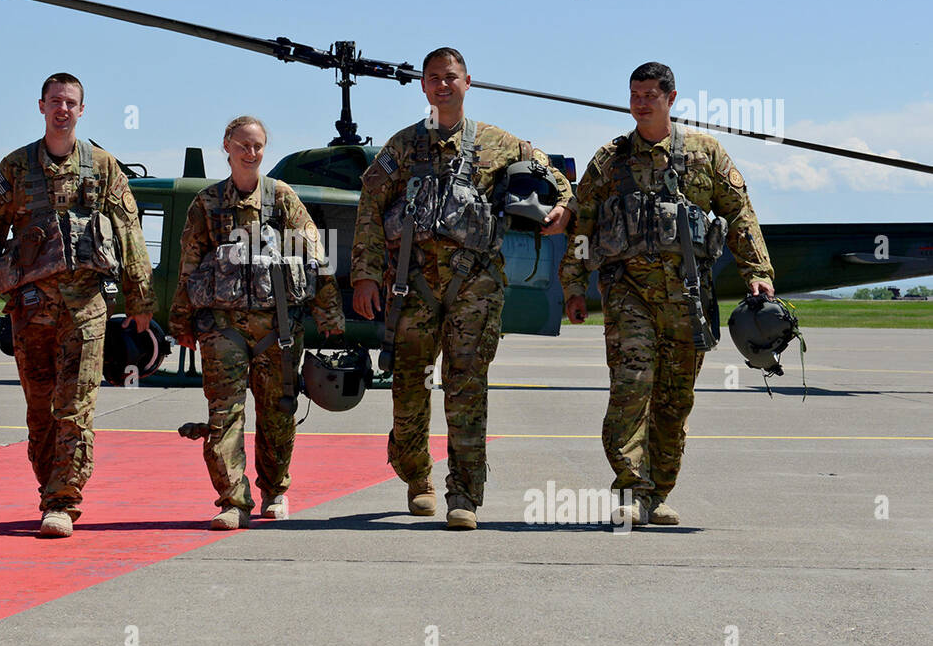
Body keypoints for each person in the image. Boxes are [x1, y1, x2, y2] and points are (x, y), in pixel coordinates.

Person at [351, 48, 572, 530]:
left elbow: (554, 178)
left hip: (476, 287)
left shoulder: (501, 144)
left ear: (467, 82)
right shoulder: (404, 146)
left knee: (466, 390)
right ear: (424, 87)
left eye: (450, 77)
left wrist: (564, 211)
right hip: (411, 287)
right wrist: (366, 274)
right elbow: (370, 206)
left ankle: (464, 496)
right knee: (407, 391)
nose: (442, 85)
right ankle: (416, 479)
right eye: (434, 79)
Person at [560, 61, 775, 525]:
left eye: (650, 95)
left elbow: (739, 213)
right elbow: (582, 226)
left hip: (688, 297)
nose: (640, 103)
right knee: (632, 385)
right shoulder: (609, 161)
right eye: (634, 95)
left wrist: (757, 270)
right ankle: (630, 488)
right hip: (627, 293)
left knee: (675, 400)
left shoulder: (705, 154)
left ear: (671, 99)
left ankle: (657, 492)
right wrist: (573, 285)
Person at [0, 72, 154, 538]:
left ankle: (63, 503)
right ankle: (48, 486)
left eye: (70, 102)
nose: (62, 109)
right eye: (55, 102)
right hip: (30, 310)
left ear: (81, 110)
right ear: (41, 106)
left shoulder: (104, 167)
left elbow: (129, 232)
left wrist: (140, 297)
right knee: (39, 409)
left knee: (75, 406)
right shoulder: (14, 168)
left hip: (87, 307)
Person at [168, 116, 345, 530]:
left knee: (278, 411)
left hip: (277, 329)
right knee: (224, 413)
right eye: (243, 145)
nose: (251, 153)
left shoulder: (282, 198)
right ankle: (233, 500)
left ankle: (275, 490)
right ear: (226, 147)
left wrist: (330, 310)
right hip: (221, 326)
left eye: (258, 146)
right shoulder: (207, 204)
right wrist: (182, 320)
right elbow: (189, 264)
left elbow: (314, 252)